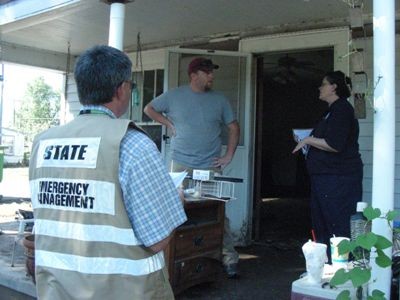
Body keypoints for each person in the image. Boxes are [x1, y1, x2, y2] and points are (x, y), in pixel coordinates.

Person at [29, 45, 187, 300]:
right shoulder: (131, 143)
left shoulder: (42, 143)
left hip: (57, 291)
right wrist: (175, 201)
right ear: (121, 89)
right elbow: (156, 240)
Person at [144, 57, 240, 278]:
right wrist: (167, 123)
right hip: (180, 163)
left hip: (209, 165)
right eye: (207, 72)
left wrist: (228, 155)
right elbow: (149, 108)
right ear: (194, 75)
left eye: (211, 72)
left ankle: (227, 257)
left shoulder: (219, 100)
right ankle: (175, 257)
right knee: (176, 210)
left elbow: (233, 128)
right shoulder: (174, 96)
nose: (211, 76)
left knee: (217, 211)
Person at [292, 71, 363, 261]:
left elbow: (334, 144)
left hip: (338, 180)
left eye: (323, 84)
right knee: (323, 223)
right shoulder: (331, 111)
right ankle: (328, 265)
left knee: (337, 223)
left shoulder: (342, 110)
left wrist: (308, 139)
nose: (319, 88)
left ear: (334, 87)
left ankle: (341, 267)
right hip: (326, 178)